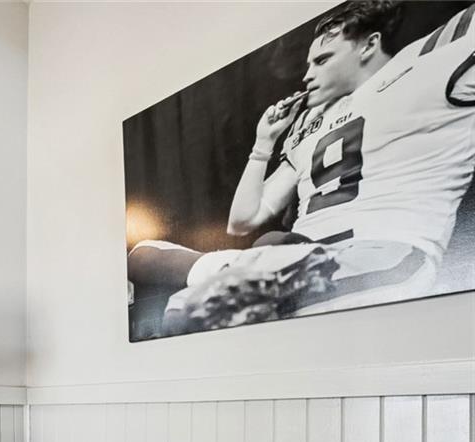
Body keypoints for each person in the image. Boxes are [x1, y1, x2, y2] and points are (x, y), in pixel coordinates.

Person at [128, 1, 475, 334]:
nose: (308, 75)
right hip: (297, 255)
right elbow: (242, 221)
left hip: (383, 255)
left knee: (193, 308)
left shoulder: (426, 64)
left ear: (369, 45)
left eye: (323, 60)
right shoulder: (311, 121)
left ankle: (253, 275)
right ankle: (259, 272)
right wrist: (263, 144)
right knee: (143, 256)